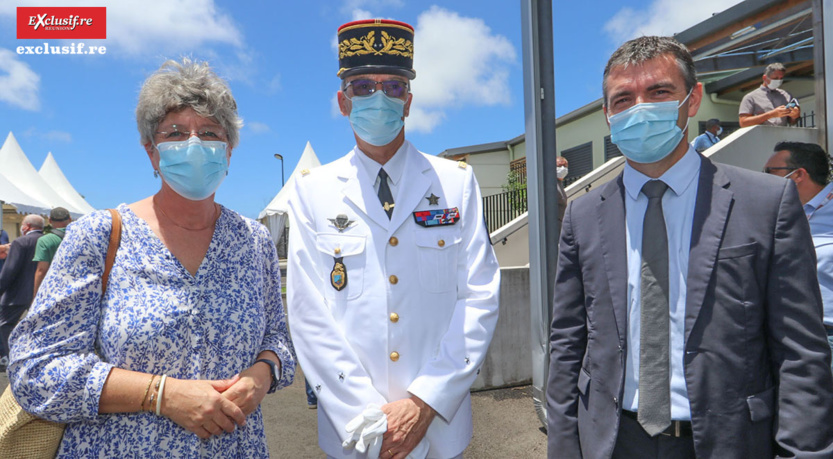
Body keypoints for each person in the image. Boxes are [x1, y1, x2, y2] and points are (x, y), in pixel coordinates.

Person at [547, 36, 833, 459]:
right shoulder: (583, 214)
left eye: (659, 91)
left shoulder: (766, 203)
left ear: (693, 98)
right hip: (612, 441)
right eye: (623, 98)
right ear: (608, 115)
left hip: (728, 441)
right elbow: (567, 344)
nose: (640, 108)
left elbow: (800, 348)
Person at [8, 58, 296, 457]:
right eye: (175, 133)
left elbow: (278, 339)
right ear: (152, 152)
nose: (194, 145)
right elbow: (33, 370)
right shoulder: (99, 235)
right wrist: (161, 395)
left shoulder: (255, 240)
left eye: (210, 133)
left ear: (228, 151)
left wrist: (263, 374)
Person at [288, 19, 500, 458]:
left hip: (439, 429)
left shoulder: (456, 183)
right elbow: (309, 314)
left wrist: (423, 404)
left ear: (408, 101)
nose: (378, 98)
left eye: (393, 86)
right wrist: (370, 417)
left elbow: (479, 296)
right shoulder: (312, 191)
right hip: (354, 434)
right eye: (363, 86)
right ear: (342, 102)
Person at [764, 141, 833, 368]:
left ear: (798, 175)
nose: (763, 178)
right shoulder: (778, 212)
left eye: (770, 172)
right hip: (789, 333)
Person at [0, 215, 44, 372]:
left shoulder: (20, 242)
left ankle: (14, 360)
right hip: (40, 293)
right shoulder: (47, 241)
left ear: (26, 227)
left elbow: (10, 270)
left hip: (16, 295)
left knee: (5, 325)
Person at [738, 62, 800, 127]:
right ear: (765, 78)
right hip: (760, 135)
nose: (778, 81)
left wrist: (794, 116)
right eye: (775, 78)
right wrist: (771, 114)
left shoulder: (786, 95)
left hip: (781, 135)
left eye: (781, 78)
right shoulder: (751, 97)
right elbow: (743, 123)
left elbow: (792, 122)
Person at [32, 206, 72, 297]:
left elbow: (41, 270)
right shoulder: (81, 237)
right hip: (77, 288)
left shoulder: (45, 240)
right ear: (70, 219)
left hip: (54, 290)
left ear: (49, 220)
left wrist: (36, 296)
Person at [556, 156, 569, 224]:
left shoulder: (559, 183)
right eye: (560, 166)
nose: (563, 168)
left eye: (565, 166)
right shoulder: (550, 184)